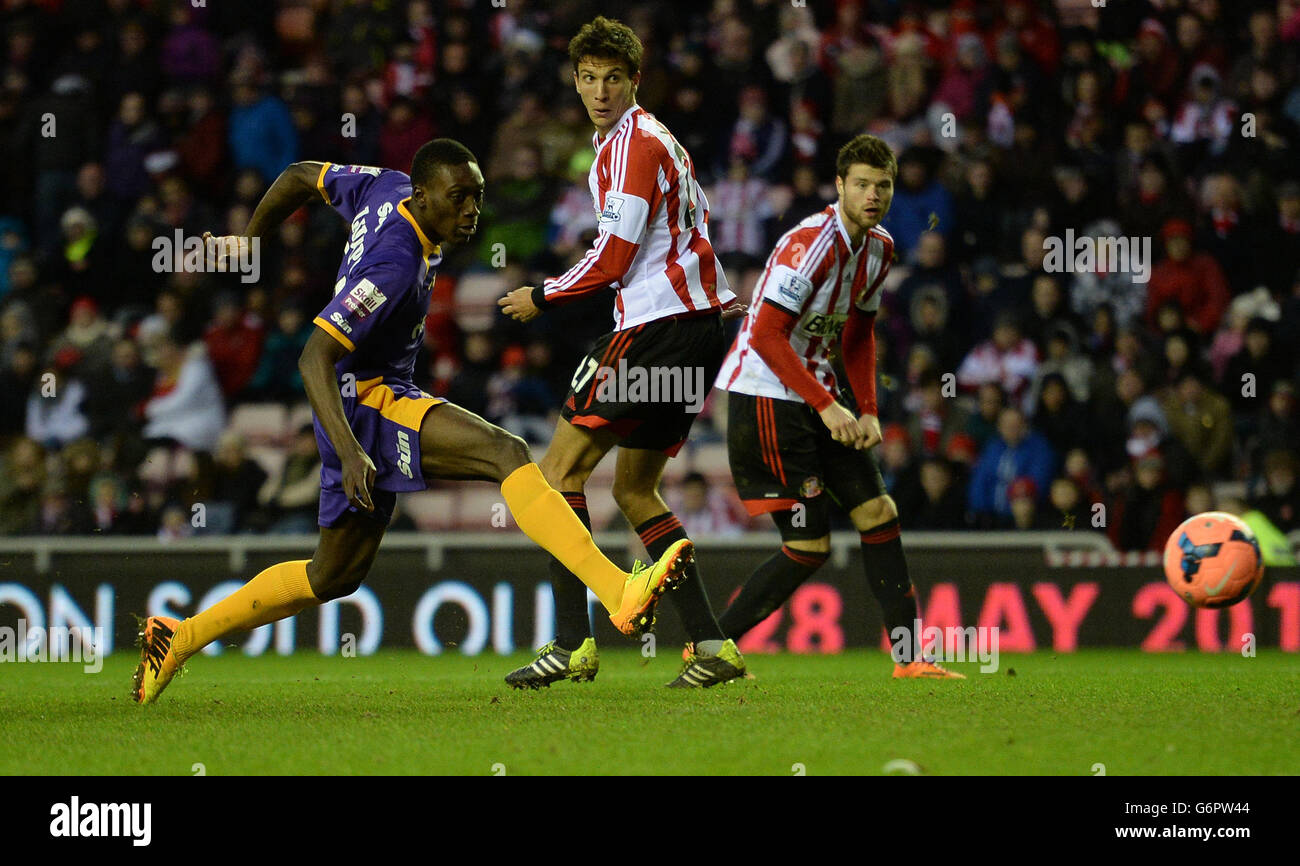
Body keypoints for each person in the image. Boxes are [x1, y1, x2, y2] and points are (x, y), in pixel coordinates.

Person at [131, 139, 694, 705]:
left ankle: (179, 637)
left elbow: (303, 174)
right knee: (507, 454)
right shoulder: (394, 263)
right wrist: (351, 451)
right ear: (423, 197)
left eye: (476, 196)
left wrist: (249, 239)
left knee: (332, 576)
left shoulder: (385, 185)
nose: (470, 210)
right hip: (363, 403)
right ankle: (618, 589)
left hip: (369, 398)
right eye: (458, 199)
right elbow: (313, 358)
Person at [498, 17, 746, 688]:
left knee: (554, 475)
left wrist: (541, 295)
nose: (600, 90)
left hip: (659, 326)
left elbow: (612, 260)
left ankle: (570, 642)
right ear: (574, 81)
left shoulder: (634, 144)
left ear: (634, 80)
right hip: (697, 329)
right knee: (636, 490)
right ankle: (714, 648)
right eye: (588, 78)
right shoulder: (644, 139)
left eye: (613, 78)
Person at [713, 134, 963, 679]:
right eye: (862, 185)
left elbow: (858, 334)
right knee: (809, 544)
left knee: (878, 512)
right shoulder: (811, 244)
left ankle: (910, 659)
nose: (873, 195)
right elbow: (767, 336)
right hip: (767, 397)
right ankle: (709, 648)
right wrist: (829, 408)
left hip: (819, 392)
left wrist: (867, 408)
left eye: (884, 185)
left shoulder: (881, 249)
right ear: (839, 186)